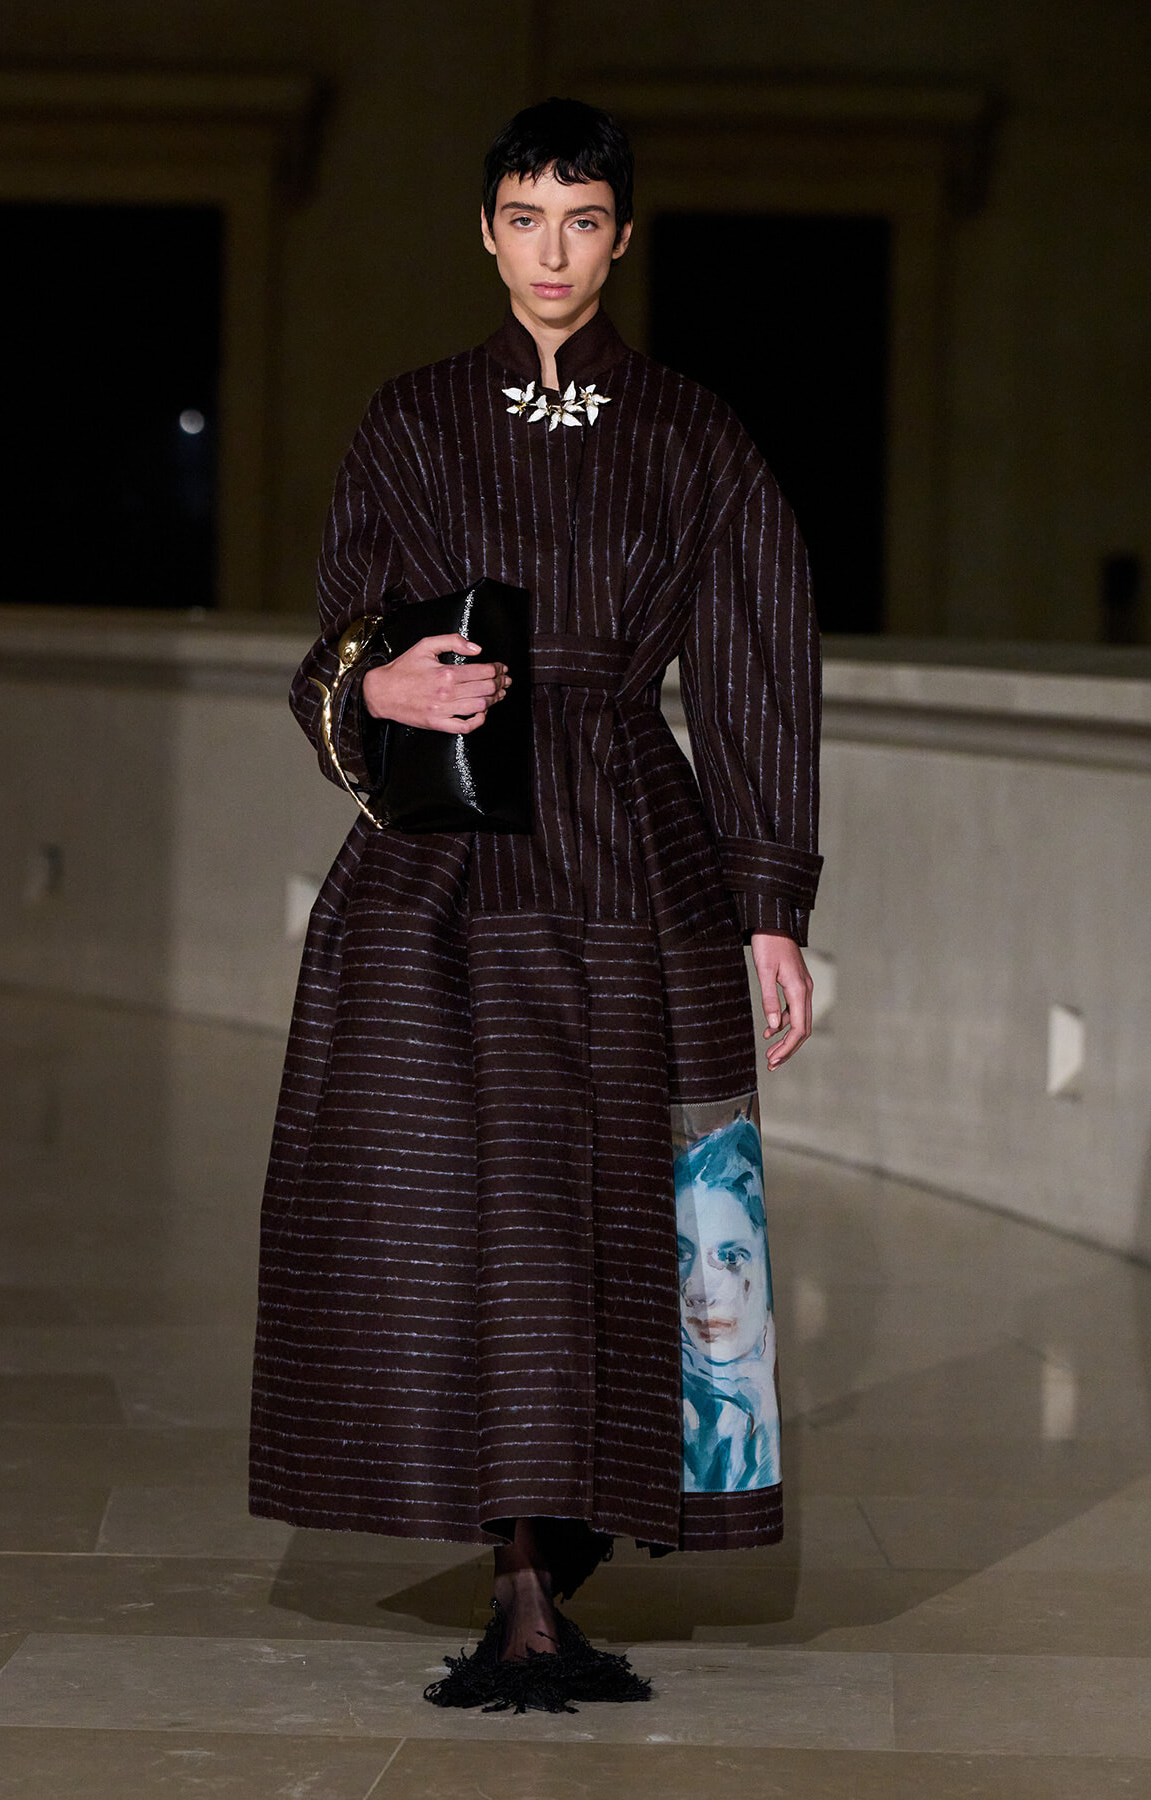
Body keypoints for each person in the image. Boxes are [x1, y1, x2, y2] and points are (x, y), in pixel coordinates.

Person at [250, 96, 822, 1714]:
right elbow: (340, 645)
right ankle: (519, 1579)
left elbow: (762, 669)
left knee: (611, 1209)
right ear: (485, 231)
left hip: (635, 851)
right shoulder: (413, 421)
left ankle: (550, 1549)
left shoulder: (695, 434)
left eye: (583, 221)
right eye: (525, 218)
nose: (553, 251)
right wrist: (389, 688)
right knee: (476, 1212)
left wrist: (770, 904)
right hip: (449, 868)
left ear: (622, 236)